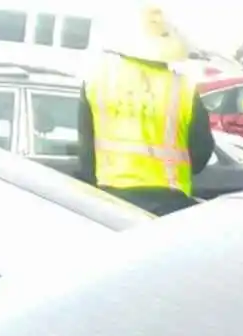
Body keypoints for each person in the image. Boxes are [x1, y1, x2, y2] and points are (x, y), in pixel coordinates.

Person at [75, 4, 213, 216]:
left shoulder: (96, 83)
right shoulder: (183, 89)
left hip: (110, 199)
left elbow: (86, 153)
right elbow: (201, 155)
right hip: (169, 204)